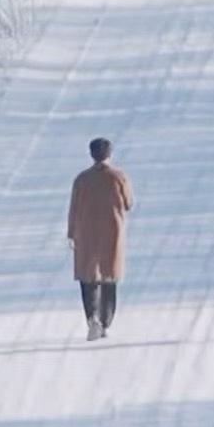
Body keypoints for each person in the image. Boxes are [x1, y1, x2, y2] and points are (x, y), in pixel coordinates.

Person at [67, 136, 132, 339]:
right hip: (112, 231)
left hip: (85, 233)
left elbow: (73, 209)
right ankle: (105, 321)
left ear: (91, 154)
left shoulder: (81, 179)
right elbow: (129, 203)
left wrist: (71, 233)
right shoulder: (119, 177)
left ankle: (92, 318)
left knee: (88, 278)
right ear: (110, 154)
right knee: (109, 277)